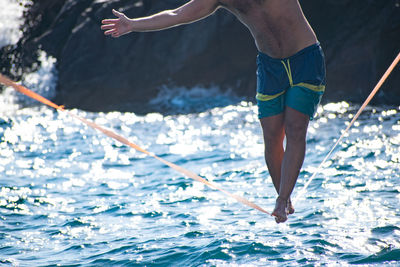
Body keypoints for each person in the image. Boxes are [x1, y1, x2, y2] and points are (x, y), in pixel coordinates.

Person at [101, 0, 326, 223]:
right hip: (271, 67)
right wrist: (132, 24)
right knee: (272, 136)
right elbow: (176, 14)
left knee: (296, 128)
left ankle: (282, 199)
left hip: (304, 58)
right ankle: (284, 199)